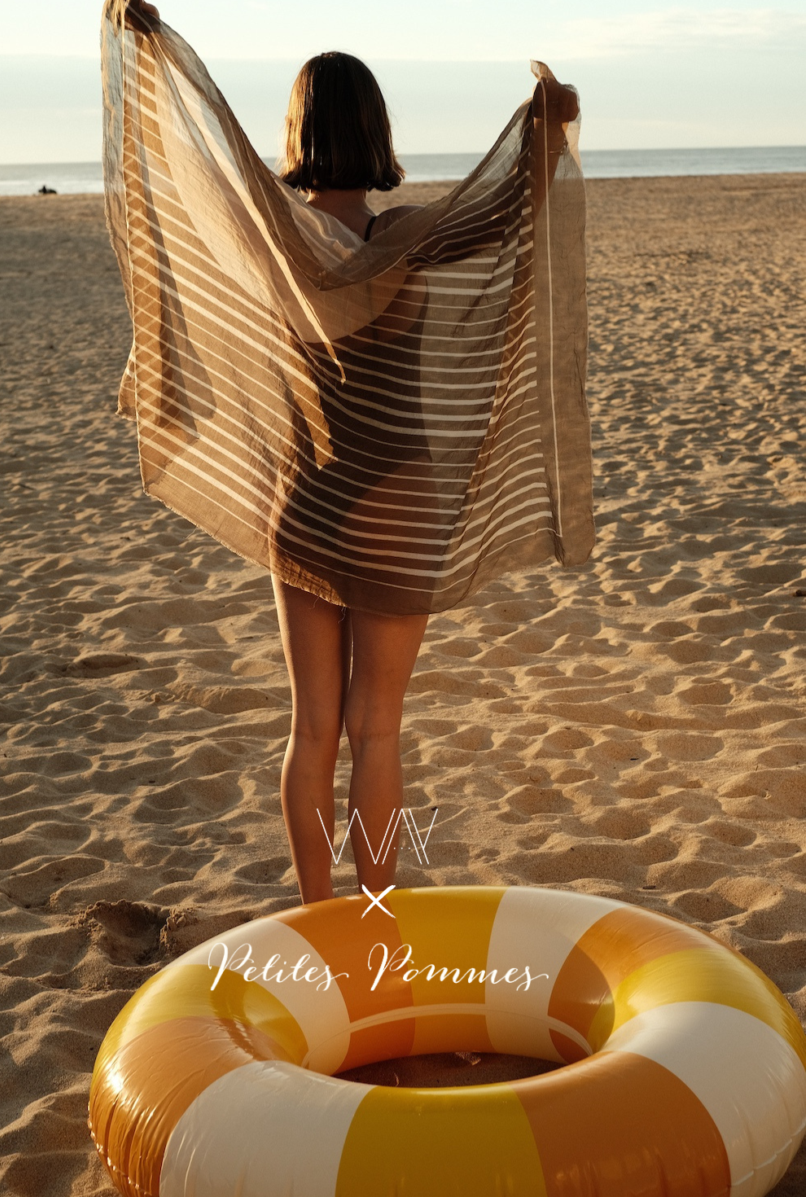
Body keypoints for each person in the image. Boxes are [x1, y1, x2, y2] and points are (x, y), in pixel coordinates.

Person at [129, 0, 579, 906]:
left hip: (309, 491)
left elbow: (199, 162)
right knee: (378, 729)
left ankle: (319, 916)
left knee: (312, 731)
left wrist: (153, 58)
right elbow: (501, 209)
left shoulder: (271, 238)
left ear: (297, 129)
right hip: (400, 493)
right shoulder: (407, 236)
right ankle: (374, 916)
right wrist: (546, 127)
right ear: (375, 129)